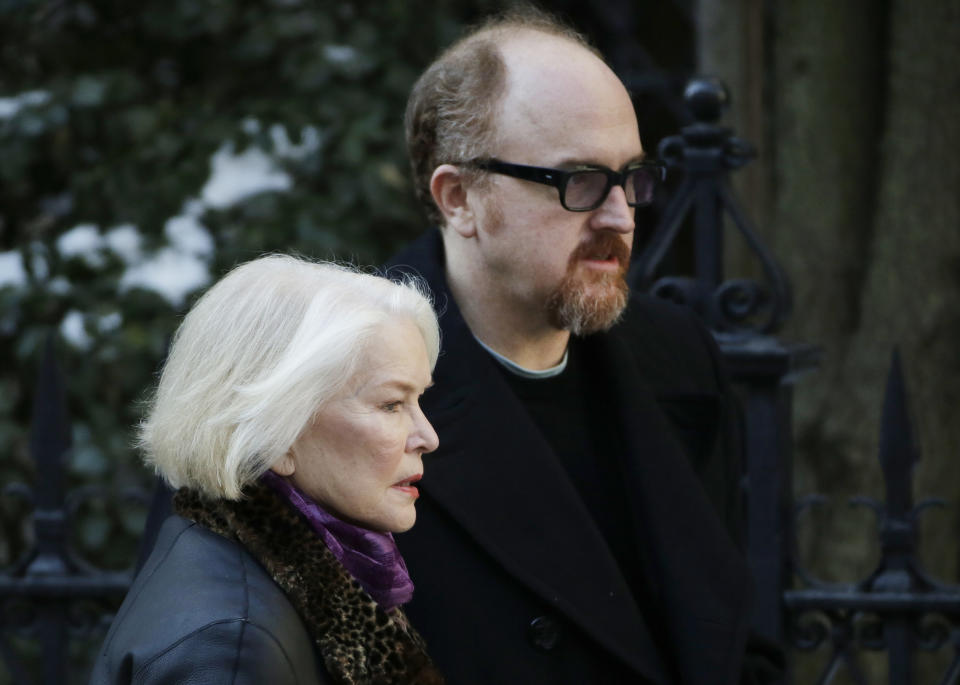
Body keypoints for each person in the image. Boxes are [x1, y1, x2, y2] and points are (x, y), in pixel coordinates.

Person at [386, 6, 784, 684]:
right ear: (458, 199)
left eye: (632, 176)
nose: (622, 216)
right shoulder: (344, 383)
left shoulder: (678, 358)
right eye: (579, 182)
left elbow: (729, 640)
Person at [91, 255, 445, 684]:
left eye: (418, 400)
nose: (427, 436)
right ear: (277, 433)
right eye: (391, 404)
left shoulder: (247, 575)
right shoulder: (232, 646)